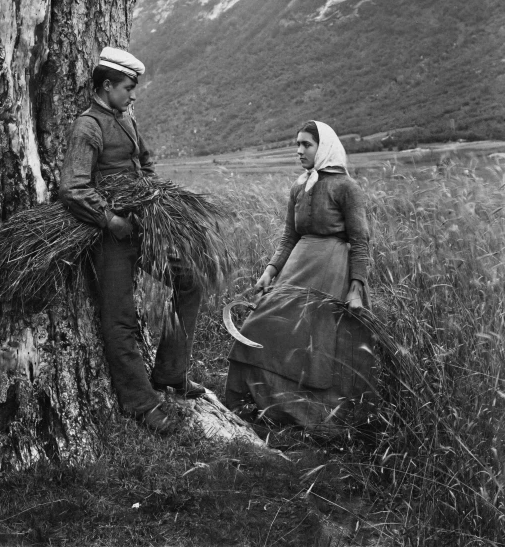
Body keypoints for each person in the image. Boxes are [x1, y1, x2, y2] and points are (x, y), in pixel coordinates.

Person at [59, 46, 205, 433]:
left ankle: (172, 372)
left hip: (142, 226)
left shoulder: (125, 119)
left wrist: (157, 200)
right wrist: (109, 220)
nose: (132, 94)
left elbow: (145, 162)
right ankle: (140, 404)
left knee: (190, 281)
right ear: (107, 86)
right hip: (111, 238)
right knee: (119, 318)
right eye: (128, 87)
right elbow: (73, 188)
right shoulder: (88, 126)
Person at [225, 120, 374, 435]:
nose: (299, 151)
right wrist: (270, 271)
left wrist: (356, 288)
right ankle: (264, 406)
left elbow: (360, 241)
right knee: (260, 326)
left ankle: (316, 418)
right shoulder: (299, 186)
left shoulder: (347, 187)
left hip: (332, 269)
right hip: (297, 266)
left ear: (325, 147)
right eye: (297, 144)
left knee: (315, 345)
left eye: (306, 144)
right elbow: (288, 237)